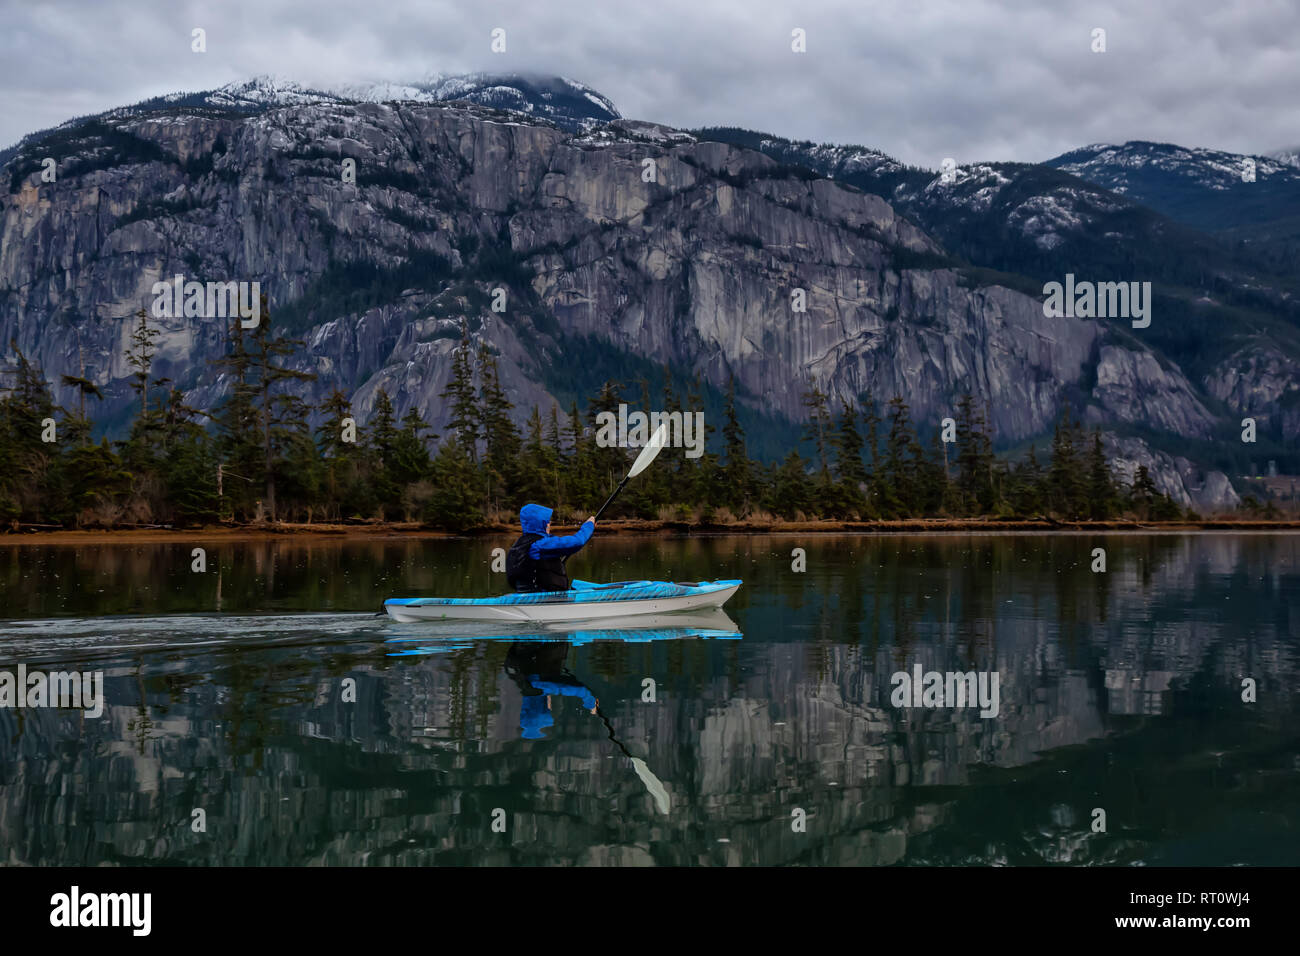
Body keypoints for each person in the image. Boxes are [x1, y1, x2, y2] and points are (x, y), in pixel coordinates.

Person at [505, 503, 596, 593]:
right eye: (547, 521)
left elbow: (553, 540)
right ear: (540, 523)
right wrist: (589, 525)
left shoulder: (520, 544)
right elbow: (577, 542)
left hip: (529, 593)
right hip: (542, 597)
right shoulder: (540, 545)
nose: (549, 523)